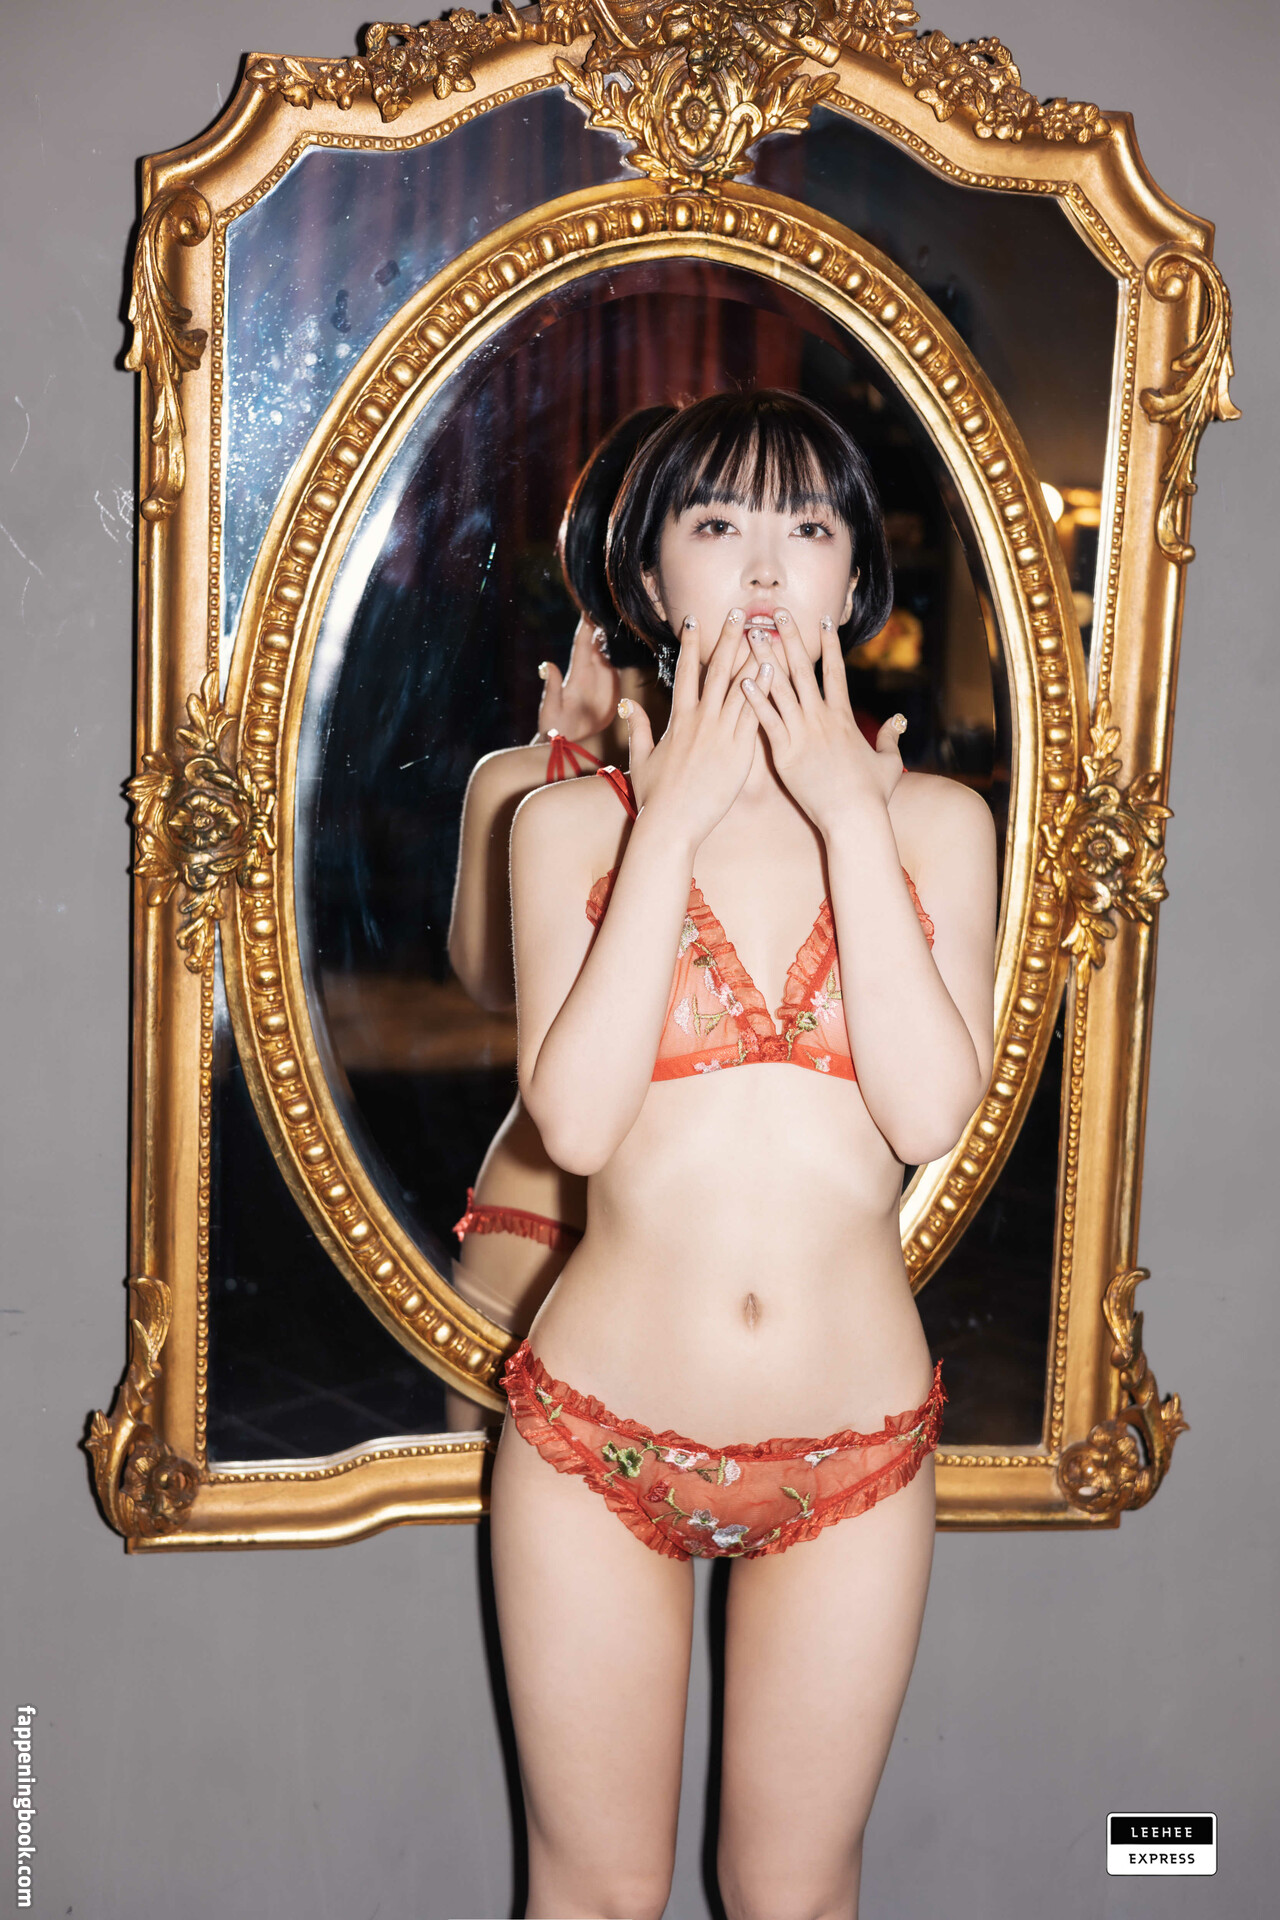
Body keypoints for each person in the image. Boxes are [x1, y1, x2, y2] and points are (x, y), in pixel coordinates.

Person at [488, 389, 998, 1919]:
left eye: (809, 524)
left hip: (857, 1450)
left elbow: (929, 1116)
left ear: (855, 578)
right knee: (596, 1895)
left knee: (797, 1895)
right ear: (652, 577)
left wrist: (850, 817)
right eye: (718, 523)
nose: (767, 563)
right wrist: (671, 821)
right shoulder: (567, 830)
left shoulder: (939, 827)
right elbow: (577, 1125)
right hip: (599, 1444)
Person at [444, 408, 673, 1431]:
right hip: (568, 1214)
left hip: (596, 1219)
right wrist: (559, 780)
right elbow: (494, 988)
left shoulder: (520, 782)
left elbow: (487, 984)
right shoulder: (521, 785)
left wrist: (556, 774)